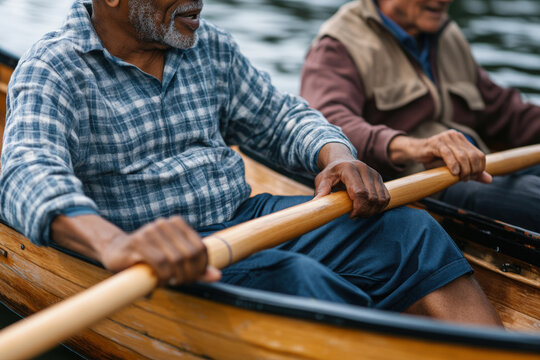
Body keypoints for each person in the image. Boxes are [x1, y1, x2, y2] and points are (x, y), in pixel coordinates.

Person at [0, 0, 501, 326]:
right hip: (163, 251)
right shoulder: (55, 66)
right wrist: (117, 244)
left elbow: (280, 118)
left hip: (244, 218)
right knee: (299, 284)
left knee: (409, 232)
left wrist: (338, 155)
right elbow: (26, 176)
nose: (200, 1)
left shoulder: (207, 46)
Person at [301, 0, 540, 232]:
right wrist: (415, 147)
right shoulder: (338, 44)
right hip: (428, 186)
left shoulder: (446, 34)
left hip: (479, 167)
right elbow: (327, 123)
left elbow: (504, 110)